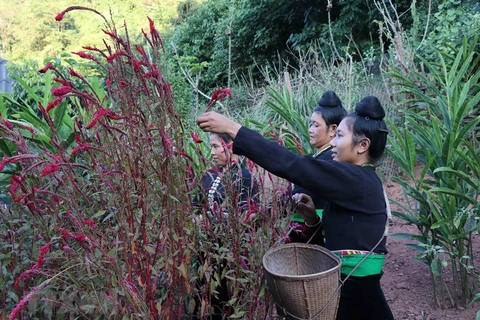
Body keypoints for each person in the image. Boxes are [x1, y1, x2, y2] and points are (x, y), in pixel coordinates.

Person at [196, 96, 394, 320]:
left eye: (339, 136)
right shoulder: (356, 180)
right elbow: (342, 240)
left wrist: (234, 129)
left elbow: (293, 165)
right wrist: (312, 220)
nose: (334, 143)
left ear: (363, 145)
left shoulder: (358, 180)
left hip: (360, 300)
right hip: (349, 292)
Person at [192, 132, 258, 319]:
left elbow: (249, 214)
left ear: (231, 146)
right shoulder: (209, 174)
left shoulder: (245, 177)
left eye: (215, 146)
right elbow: (196, 205)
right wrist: (198, 219)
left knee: (223, 296)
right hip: (203, 246)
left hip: (228, 251)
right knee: (201, 292)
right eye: (211, 147)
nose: (211, 152)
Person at [288, 90, 346, 244]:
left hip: (315, 233)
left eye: (316, 125)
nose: (310, 130)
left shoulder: (328, 160)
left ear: (333, 129)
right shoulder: (320, 157)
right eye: (310, 124)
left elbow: (301, 193)